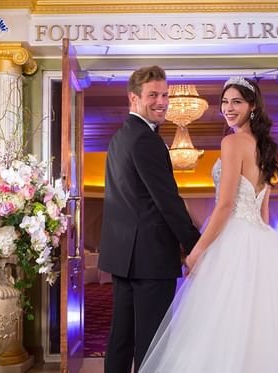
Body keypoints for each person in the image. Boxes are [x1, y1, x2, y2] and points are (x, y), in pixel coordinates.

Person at [138, 77, 278, 373]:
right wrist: (266, 246)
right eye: (225, 102)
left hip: (235, 237)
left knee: (223, 324)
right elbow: (263, 211)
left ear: (252, 106)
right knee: (265, 324)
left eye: (237, 102)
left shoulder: (231, 142)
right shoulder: (266, 147)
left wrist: (197, 250)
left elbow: (226, 205)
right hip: (261, 238)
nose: (228, 108)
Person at [99, 65, 201, 373]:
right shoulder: (147, 140)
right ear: (133, 98)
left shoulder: (119, 138)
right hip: (151, 258)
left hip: (123, 257)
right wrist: (196, 246)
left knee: (121, 340)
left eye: (165, 95)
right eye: (153, 95)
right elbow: (167, 201)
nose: (162, 102)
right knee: (152, 344)